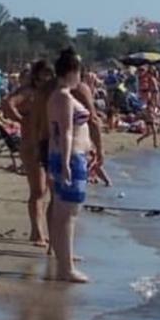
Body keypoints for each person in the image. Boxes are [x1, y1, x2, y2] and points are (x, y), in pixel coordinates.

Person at [46, 48, 94, 283]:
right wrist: (65, 163)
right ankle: (66, 268)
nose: (81, 76)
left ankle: (64, 259)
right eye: (79, 71)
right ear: (71, 71)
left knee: (60, 212)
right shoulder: (63, 97)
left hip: (67, 155)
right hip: (70, 157)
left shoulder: (58, 95)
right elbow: (64, 131)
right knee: (68, 214)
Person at [2, 60, 55, 246]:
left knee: (49, 190)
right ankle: (37, 231)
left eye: (49, 75)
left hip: (48, 145)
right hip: (31, 144)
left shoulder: (53, 93)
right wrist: (22, 120)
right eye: (42, 76)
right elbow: (7, 104)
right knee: (38, 190)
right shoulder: (28, 92)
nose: (45, 79)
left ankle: (43, 231)